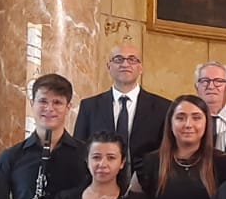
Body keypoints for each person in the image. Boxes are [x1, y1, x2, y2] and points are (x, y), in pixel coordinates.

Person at [73, 41, 173, 173]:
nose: (125, 64)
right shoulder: (89, 106)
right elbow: (80, 149)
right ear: (109, 66)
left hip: (147, 184)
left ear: (140, 67)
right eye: (118, 59)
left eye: (132, 59)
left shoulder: (163, 107)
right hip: (98, 182)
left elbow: (167, 152)